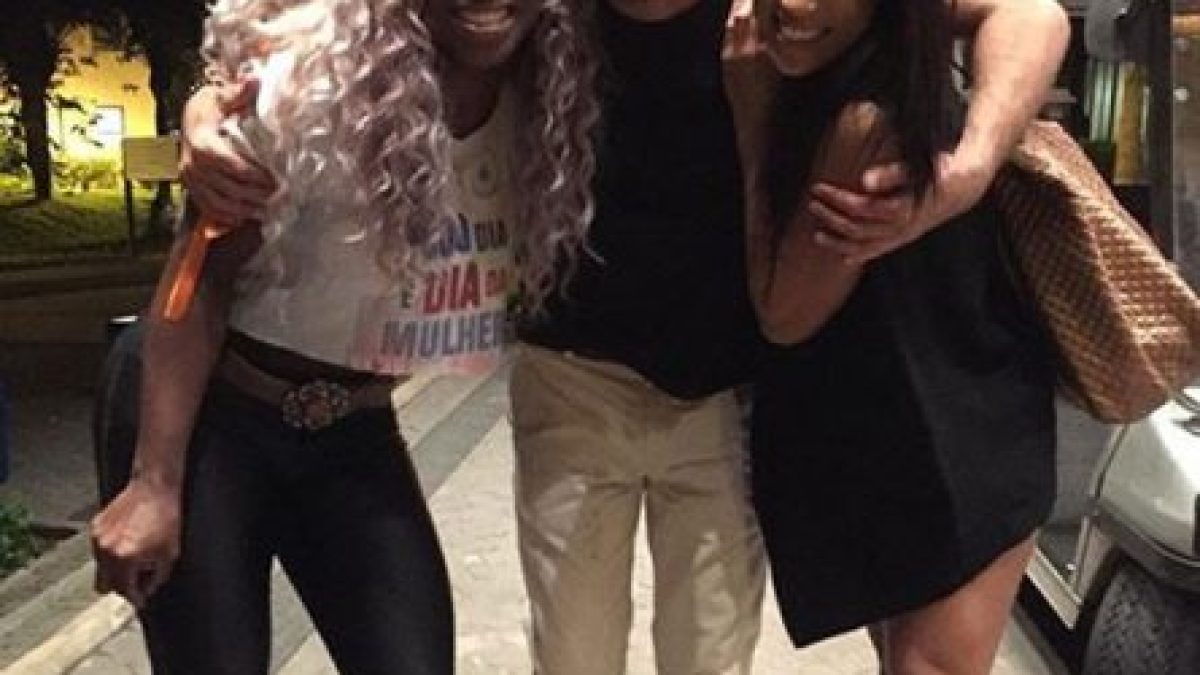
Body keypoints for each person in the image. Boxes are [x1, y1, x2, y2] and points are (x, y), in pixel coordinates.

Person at [179, 1, 1069, 672]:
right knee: (574, 654)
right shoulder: (543, 12)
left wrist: (969, 167)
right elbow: (366, 30)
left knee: (711, 654)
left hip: (723, 393)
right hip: (572, 381)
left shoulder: (766, 14)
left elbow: (1027, 12)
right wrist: (210, 111)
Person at [89, 0, 597, 672]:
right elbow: (198, 278)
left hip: (351, 426)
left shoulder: (558, 101)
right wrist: (154, 482)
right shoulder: (317, 86)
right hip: (212, 412)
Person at [724, 0, 1058, 672]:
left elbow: (785, 311)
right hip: (896, 430)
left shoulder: (861, 123)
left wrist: (752, 111)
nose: (793, 4)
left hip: (954, 437)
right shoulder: (840, 61)